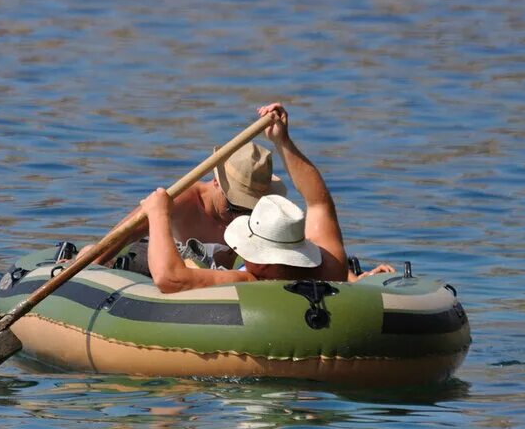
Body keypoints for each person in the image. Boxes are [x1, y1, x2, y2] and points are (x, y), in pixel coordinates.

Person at [142, 103, 393, 294]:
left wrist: (158, 213)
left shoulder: (247, 281)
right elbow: (319, 202)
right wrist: (283, 141)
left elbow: (169, 278)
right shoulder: (330, 269)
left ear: (260, 264)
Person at [90, 135, 287, 271]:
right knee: (96, 255)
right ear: (217, 183)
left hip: (209, 287)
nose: (239, 217)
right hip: (150, 270)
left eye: (248, 210)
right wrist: (87, 265)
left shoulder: (258, 216)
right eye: (234, 207)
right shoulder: (183, 199)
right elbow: (121, 235)